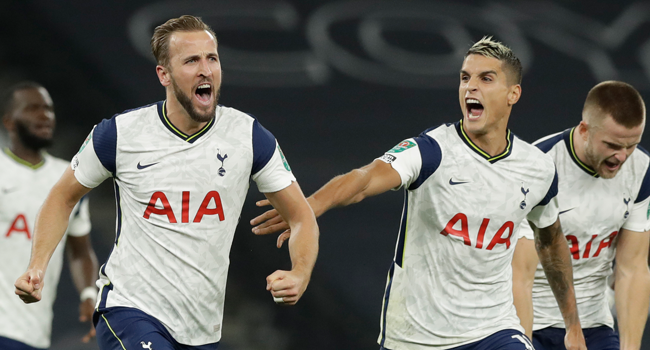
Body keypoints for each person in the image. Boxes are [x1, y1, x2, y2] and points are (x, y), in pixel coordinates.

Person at [251, 37, 587, 350]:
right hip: (416, 335)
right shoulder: (432, 150)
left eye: (486, 79)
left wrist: (572, 324)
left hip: (491, 328)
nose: (470, 86)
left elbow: (551, 240)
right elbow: (365, 179)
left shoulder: (538, 169)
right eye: (465, 77)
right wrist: (307, 206)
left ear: (513, 94)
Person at [14, 15, 319, 350]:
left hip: (202, 329)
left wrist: (300, 273)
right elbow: (62, 197)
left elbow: (301, 217)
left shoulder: (248, 137)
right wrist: (37, 267)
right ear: (164, 75)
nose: (206, 70)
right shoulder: (120, 134)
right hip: (130, 311)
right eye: (191, 60)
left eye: (212, 58)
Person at [512, 81, 650, 350]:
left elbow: (632, 270)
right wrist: (521, 343)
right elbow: (520, 276)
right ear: (585, 130)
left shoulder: (642, 170)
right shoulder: (537, 166)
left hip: (594, 327)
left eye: (631, 145)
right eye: (612, 145)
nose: (621, 157)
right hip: (530, 323)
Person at [0, 81, 98, 349]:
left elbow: (79, 250)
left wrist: (89, 294)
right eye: (32, 108)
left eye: (48, 109)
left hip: (34, 333)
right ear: (9, 121)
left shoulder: (69, 178)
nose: (45, 115)